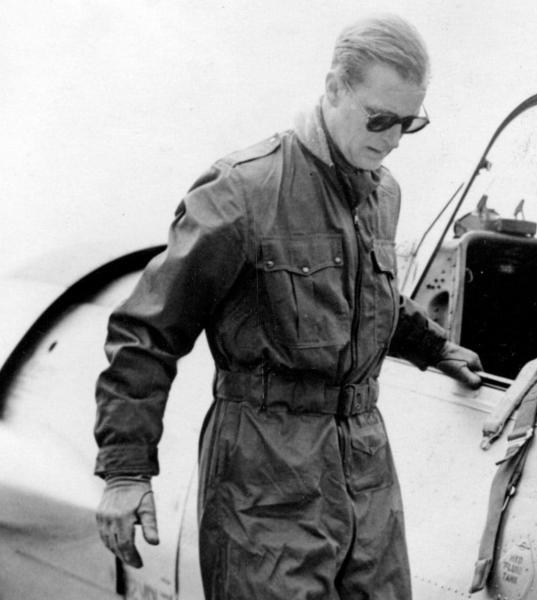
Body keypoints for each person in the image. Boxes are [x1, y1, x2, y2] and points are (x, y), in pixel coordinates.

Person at [93, 14, 483, 599]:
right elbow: (148, 329)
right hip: (264, 478)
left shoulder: (382, 191)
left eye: (409, 123)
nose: (393, 138)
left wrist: (434, 347)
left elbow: (367, 298)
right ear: (333, 90)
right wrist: (126, 471)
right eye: (380, 118)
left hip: (365, 466)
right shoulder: (242, 190)